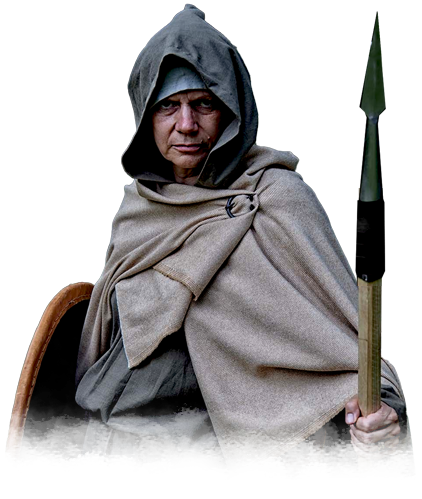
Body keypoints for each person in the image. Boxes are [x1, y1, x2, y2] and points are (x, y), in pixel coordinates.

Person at [75, 5, 414, 477]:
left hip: (216, 467)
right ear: (145, 116)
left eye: (204, 104)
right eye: (168, 106)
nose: (186, 124)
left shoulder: (277, 201)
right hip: (112, 453)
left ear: (232, 109)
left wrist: (384, 409)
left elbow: (350, 341)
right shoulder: (138, 212)